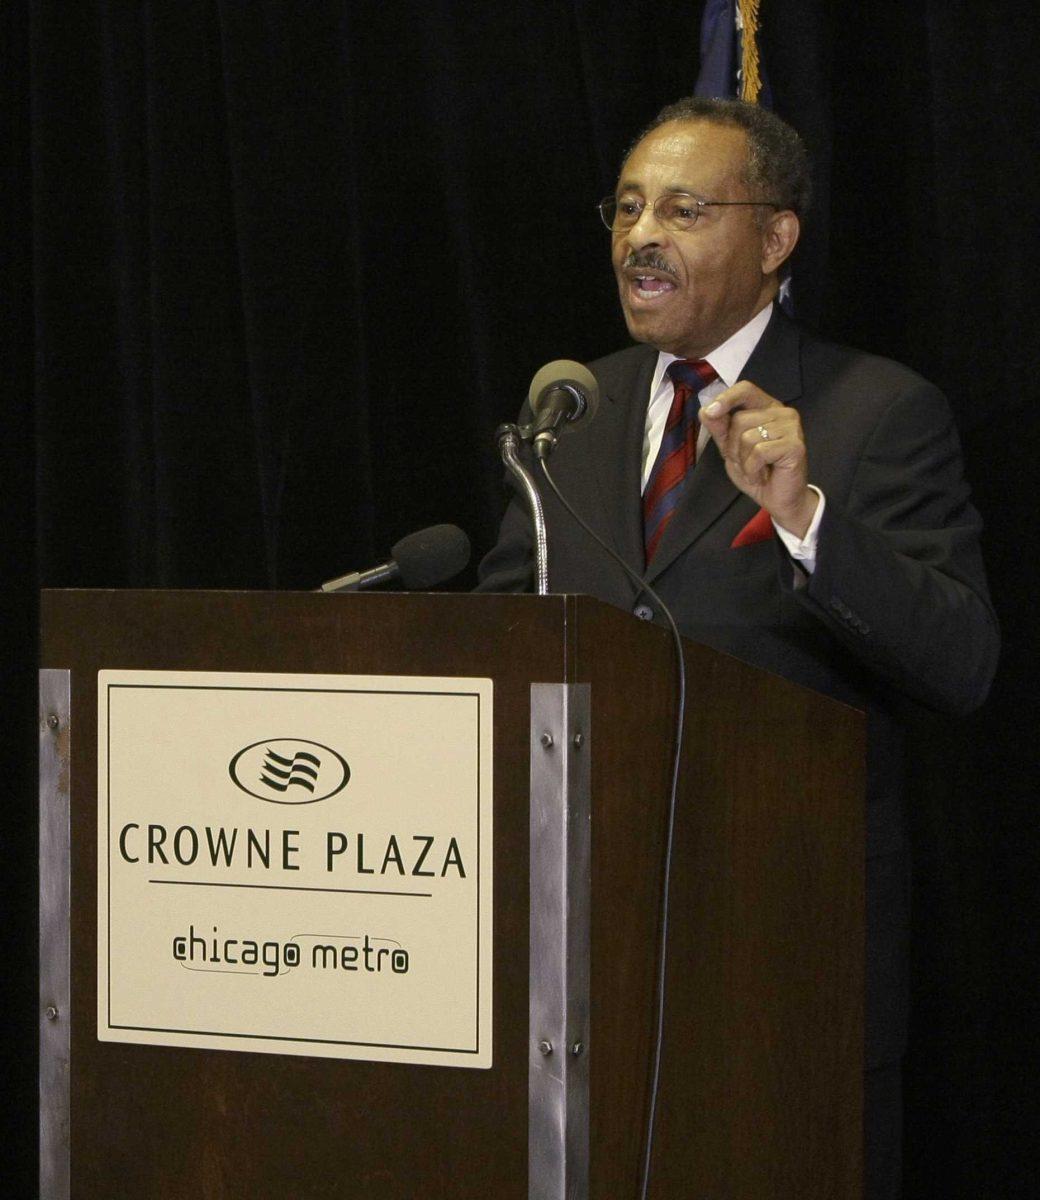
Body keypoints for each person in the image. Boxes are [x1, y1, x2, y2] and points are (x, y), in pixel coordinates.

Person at [477, 96, 1000, 1199]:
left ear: (773, 240)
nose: (638, 236)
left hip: (781, 948)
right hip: (573, 955)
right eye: (625, 210)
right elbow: (500, 641)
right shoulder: (569, 411)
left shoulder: (875, 411)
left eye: (680, 207)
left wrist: (804, 515)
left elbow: (959, 659)